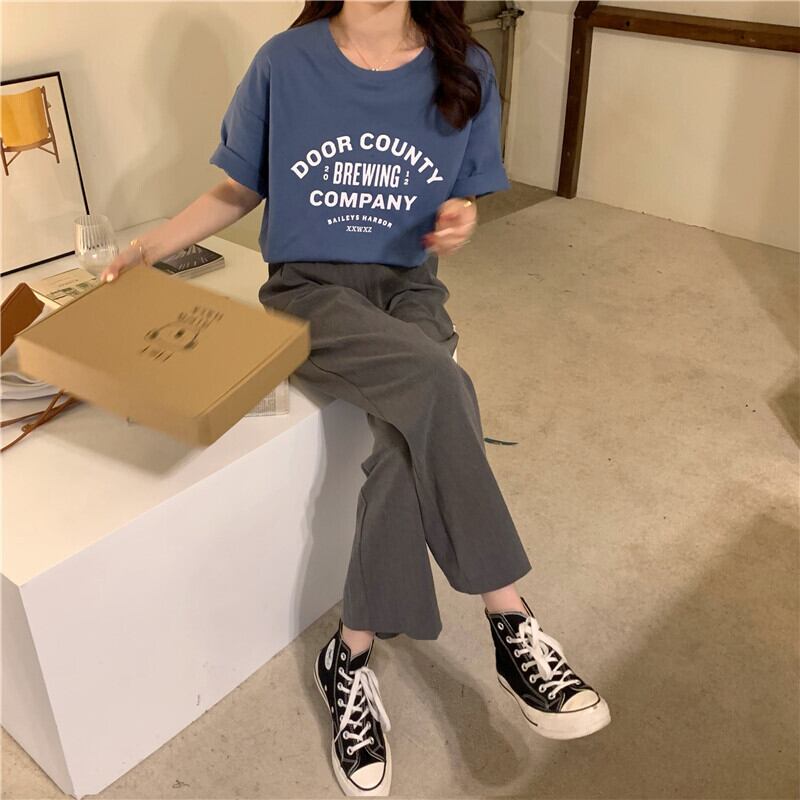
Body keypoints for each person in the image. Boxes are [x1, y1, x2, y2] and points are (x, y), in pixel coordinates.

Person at [101, 2, 610, 796]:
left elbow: (465, 197)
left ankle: (350, 653)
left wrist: (460, 219)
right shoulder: (285, 62)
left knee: (408, 445)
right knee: (442, 382)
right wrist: (147, 248)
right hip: (310, 292)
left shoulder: (465, 67)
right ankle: (509, 616)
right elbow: (239, 189)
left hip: (409, 290)